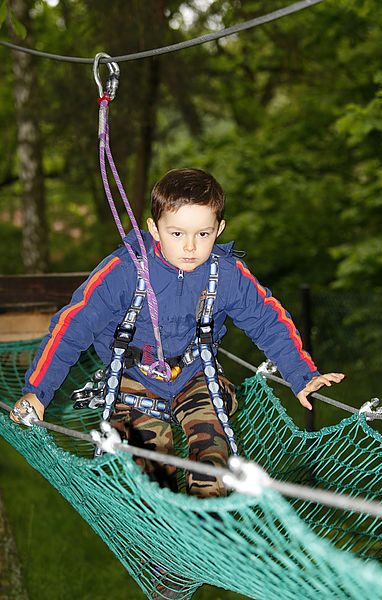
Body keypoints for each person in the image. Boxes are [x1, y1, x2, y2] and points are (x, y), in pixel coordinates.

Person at [10, 167, 344, 497]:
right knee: (151, 475)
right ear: (154, 229)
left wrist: (302, 374)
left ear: (219, 229)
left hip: (195, 376)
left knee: (212, 460)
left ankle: (205, 530)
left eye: (203, 234)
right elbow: (72, 328)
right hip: (134, 381)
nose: (190, 247)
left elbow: (267, 319)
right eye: (177, 233)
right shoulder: (124, 272)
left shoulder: (225, 274)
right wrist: (38, 392)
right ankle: (157, 537)